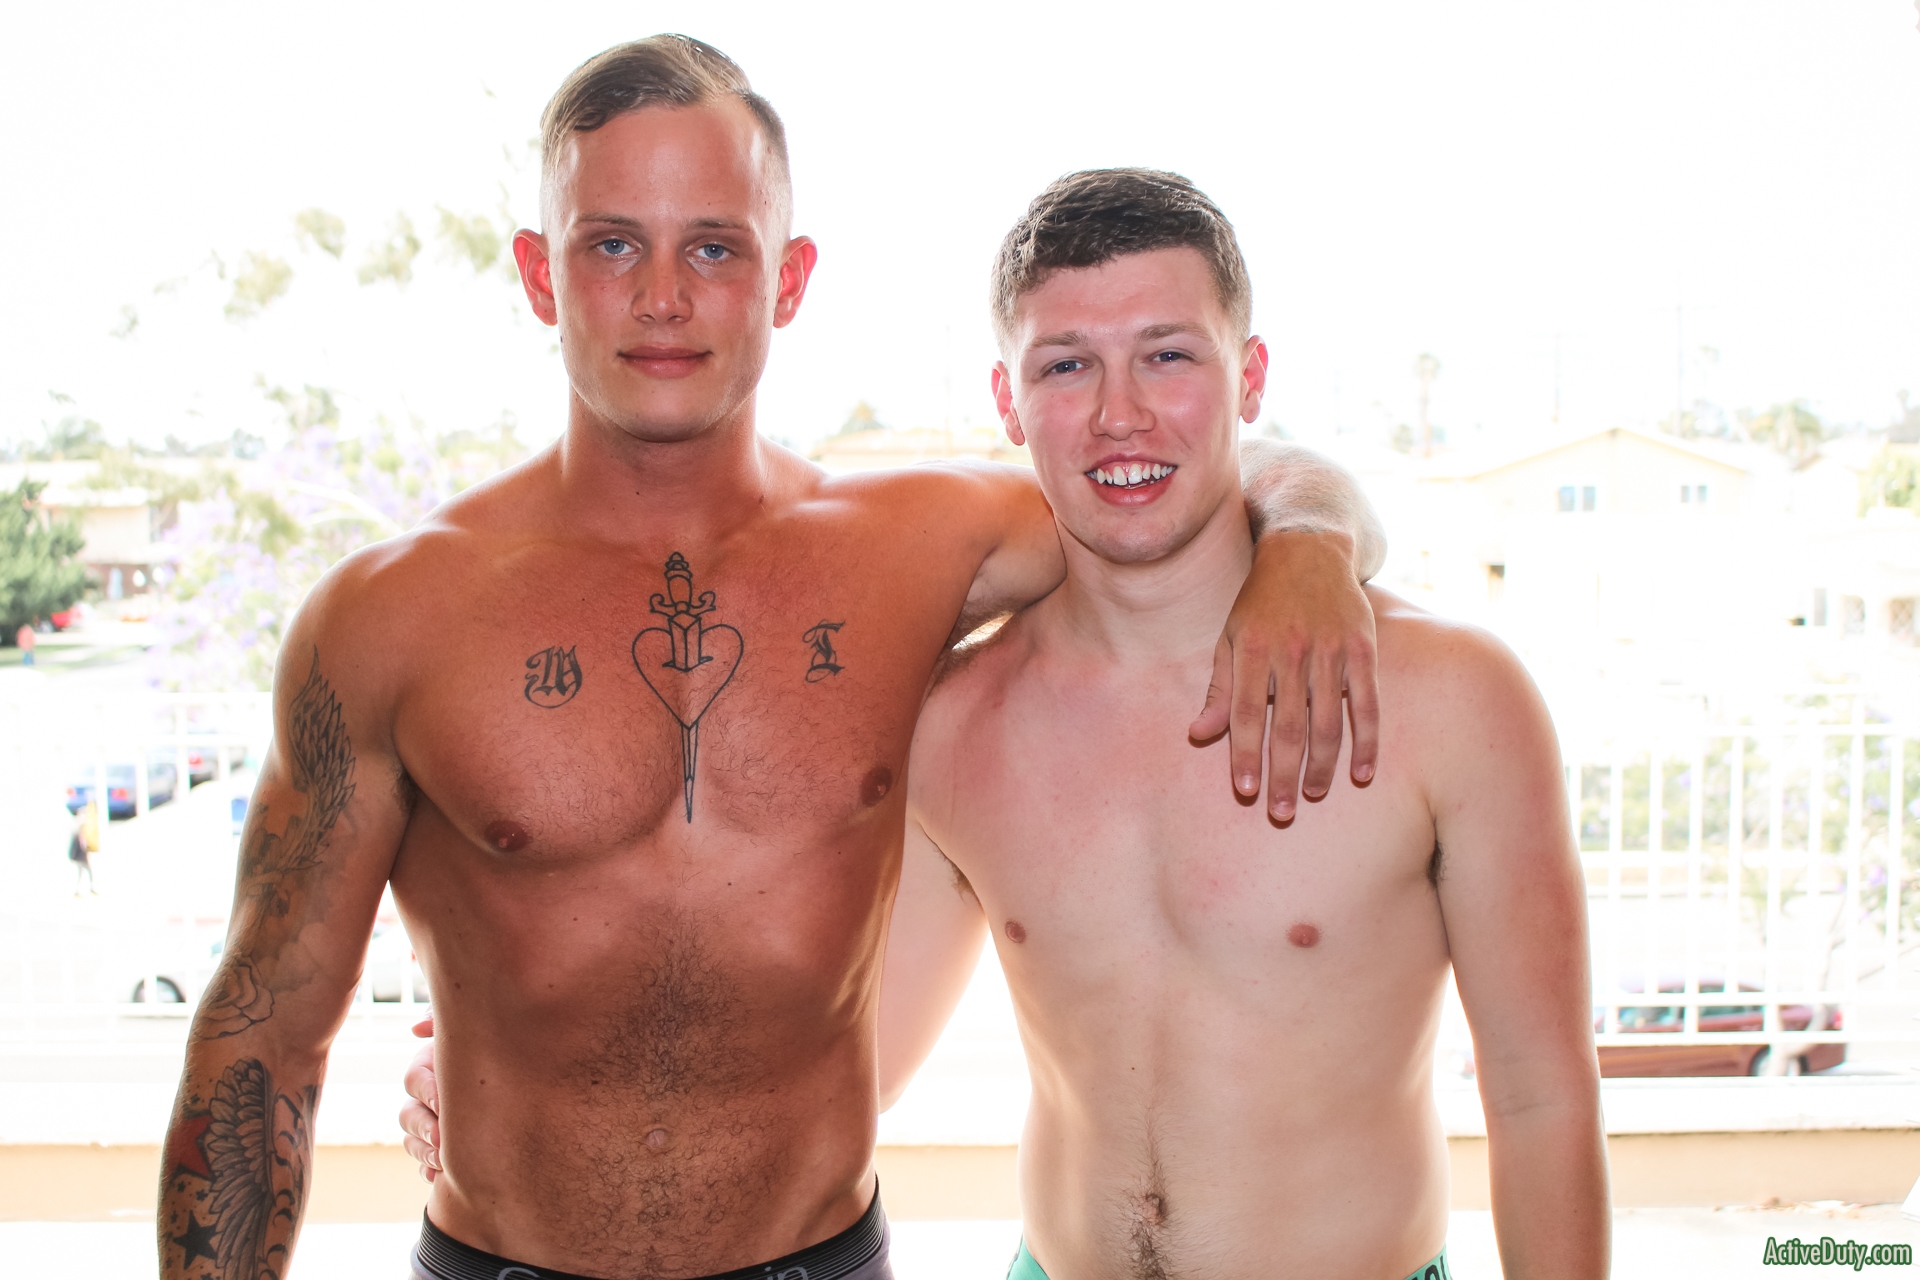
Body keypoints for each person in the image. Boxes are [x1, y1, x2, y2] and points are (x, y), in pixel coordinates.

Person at [158, 37, 1384, 1280]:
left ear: (788, 278)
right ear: (540, 274)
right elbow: (263, 1035)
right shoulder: (392, 615)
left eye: (714, 248)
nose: (663, 297)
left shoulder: (915, 550)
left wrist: (1312, 543)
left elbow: (1177, 477)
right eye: (612, 244)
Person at [406, 168, 1609, 1279]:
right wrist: (542, 1087)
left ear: (1249, 377)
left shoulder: (1453, 699)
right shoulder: (955, 723)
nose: (1121, 414)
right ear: (1008, 400)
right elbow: (848, 1063)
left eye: (1168, 355)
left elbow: (1542, 1094)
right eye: (1067, 366)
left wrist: (1309, 535)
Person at [70, 800, 97, 895]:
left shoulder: (76, 823)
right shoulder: (81, 824)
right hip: (80, 852)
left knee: (81, 871)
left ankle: (79, 890)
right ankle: (90, 888)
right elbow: (82, 838)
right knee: (86, 870)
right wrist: (85, 847)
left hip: (77, 852)